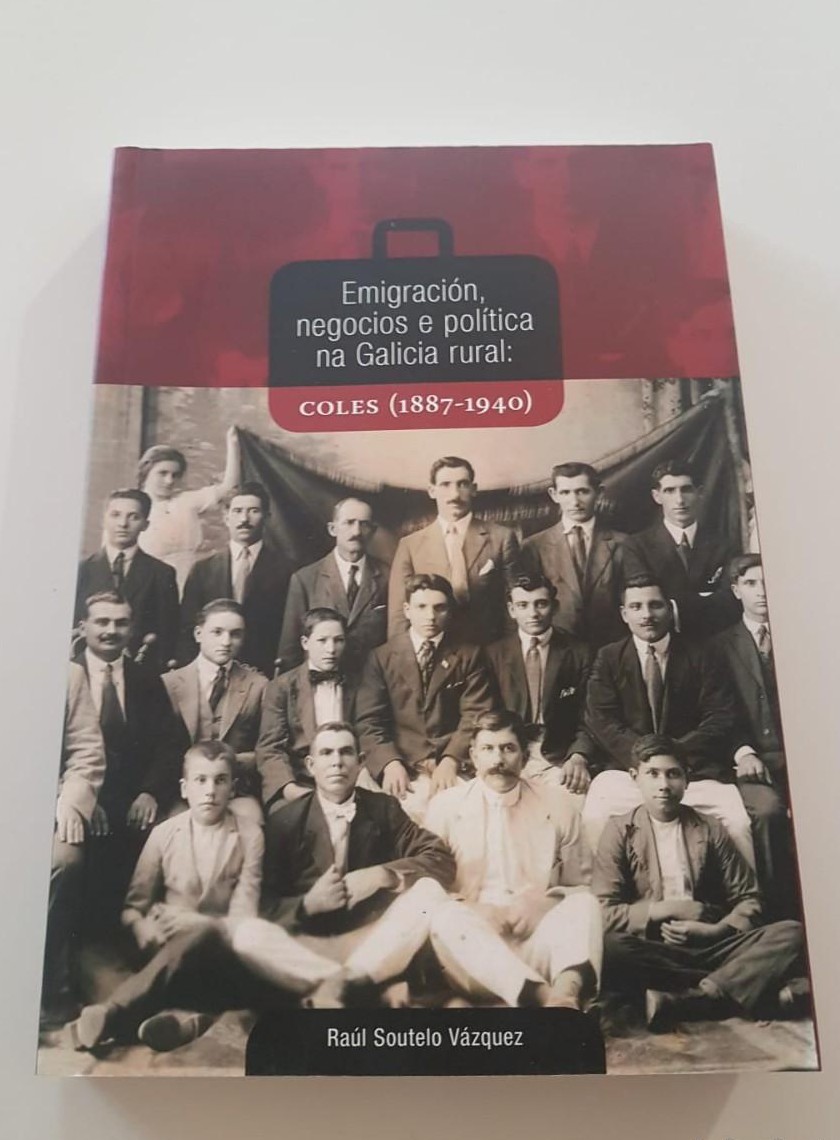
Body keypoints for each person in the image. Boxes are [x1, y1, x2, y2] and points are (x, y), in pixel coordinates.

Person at [231, 722, 457, 1008]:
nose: (337, 762)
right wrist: (306, 904)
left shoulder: (383, 808)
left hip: (375, 941)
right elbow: (261, 905)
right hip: (312, 946)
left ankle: (345, 986)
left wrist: (382, 875)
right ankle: (352, 986)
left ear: (360, 762)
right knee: (246, 935)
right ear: (311, 765)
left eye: (346, 752)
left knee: (428, 891)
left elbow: (439, 858)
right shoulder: (284, 822)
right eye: (326, 753)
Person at [593, 734, 807, 1030]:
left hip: (714, 945)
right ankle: (745, 987)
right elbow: (603, 912)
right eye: (652, 774)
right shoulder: (619, 830)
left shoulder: (709, 827)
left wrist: (716, 930)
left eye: (673, 774)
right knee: (609, 948)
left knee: (793, 932)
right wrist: (668, 909)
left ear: (687, 779)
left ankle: (697, 998)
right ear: (635, 777)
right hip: (656, 948)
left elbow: (749, 898)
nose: (664, 785)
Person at [68, 741, 266, 1052]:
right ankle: (175, 1020)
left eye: (220, 780)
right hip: (163, 947)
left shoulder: (250, 835)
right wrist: (141, 927)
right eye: (201, 780)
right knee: (89, 956)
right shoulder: (164, 833)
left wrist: (198, 923)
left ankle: (114, 1012)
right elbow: (134, 906)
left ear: (233, 787)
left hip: (217, 951)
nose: (210, 791)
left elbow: (243, 919)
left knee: (202, 939)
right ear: (185, 788)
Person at [423, 710, 602, 1010]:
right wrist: (471, 908)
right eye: (488, 749)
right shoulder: (445, 807)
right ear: (473, 756)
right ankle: (546, 999)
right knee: (446, 918)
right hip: (474, 949)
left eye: (508, 748)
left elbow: (583, 884)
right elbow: (427, 890)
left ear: (525, 756)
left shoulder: (558, 805)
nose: (498, 760)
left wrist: (544, 904)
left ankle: (565, 993)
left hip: (535, 940)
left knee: (585, 905)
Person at [582, 575, 753, 867]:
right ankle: (613, 891)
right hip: (629, 771)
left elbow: (719, 715)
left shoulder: (703, 654)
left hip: (693, 769)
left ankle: (745, 894)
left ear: (670, 609)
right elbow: (601, 719)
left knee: (737, 822)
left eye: (655, 605)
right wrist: (646, 760)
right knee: (594, 816)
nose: (647, 615)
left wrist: (675, 757)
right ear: (624, 614)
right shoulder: (609, 657)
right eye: (636, 607)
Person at [73, 592, 184, 927]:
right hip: (83, 795)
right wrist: (83, 798)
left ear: (132, 629)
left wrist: (150, 792)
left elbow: (170, 743)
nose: (111, 630)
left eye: (121, 623)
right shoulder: (66, 676)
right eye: (102, 622)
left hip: (134, 796)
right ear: (83, 627)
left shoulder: (146, 679)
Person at [356, 573, 498, 823]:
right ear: (407, 610)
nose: (430, 616)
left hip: (453, 761)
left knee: (467, 815)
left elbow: (476, 714)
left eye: (439, 608)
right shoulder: (381, 657)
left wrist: (451, 759)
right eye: (421, 607)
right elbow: (369, 721)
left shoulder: (469, 655)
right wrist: (390, 762)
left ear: (449, 611)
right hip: (404, 762)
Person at [715, 554, 796, 919]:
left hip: (805, 757)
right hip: (754, 759)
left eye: (768, 582)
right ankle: (779, 912)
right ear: (736, 590)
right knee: (767, 812)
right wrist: (743, 751)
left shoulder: (802, 635)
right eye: (751, 584)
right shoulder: (719, 647)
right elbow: (719, 712)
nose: (762, 592)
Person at [387, 456, 519, 645]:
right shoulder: (410, 545)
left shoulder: (501, 538)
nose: (455, 494)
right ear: (432, 491)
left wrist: (508, 653)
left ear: (474, 489)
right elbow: (399, 615)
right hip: (434, 649)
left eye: (462, 484)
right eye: (445, 485)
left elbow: (516, 603)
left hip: (488, 648)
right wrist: (403, 657)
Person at [486, 573, 595, 795]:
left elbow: (591, 714)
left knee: (570, 802)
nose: (533, 613)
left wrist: (578, 755)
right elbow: (487, 713)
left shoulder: (580, 653)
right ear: (511, 610)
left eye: (541, 604)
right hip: (510, 750)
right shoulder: (493, 654)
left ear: (554, 607)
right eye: (523, 605)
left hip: (560, 753)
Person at [41, 663, 106, 1028]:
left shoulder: (69, 675)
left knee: (65, 860)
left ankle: (50, 990)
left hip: (48, 805)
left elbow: (87, 751)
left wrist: (71, 800)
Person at [164, 599, 266, 823]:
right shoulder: (169, 684)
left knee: (251, 821)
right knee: (175, 826)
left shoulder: (258, 685)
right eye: (217, 632)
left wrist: (231, 763)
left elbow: (265, 748)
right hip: (183, 791)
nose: (226, 642)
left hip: (235, 790)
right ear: (198, 634)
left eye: (235, 634)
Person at [178, 482, 289, 677]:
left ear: (267, 517)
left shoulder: (288, 570)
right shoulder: (202, 570)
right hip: (210, 673)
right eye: (237, 511)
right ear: (226, 517)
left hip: (265, 672)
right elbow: (188, 628)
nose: (244, 519)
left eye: (254, 511)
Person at [257, 608, 362, 812]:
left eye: (338, 640)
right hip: (302, 782)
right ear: (305, 643)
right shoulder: (282, 687)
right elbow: (270, 748)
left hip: (349, 780)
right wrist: (290, 788)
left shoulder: (359, 683)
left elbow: (368, 732)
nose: (331, 649)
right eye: (322, 641)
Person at [622, 459, 739, 638]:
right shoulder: (637, 545)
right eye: (670, 491)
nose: (680, 500)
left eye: (686, 489)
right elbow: (645, 600)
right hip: (666, 640)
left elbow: (731, 600)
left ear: (700, 493)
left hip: (715, 639)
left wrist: (673, 603)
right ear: (657, 496)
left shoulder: (724, 545)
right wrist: (706, 599)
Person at [278, 497, 389, 673]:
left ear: (373, 531)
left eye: (364, 524)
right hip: (319, 680)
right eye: (349, 523)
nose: (357, 531)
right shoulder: (305, 579)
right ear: (332, 529)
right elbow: (289, 650)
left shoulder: (388, 576)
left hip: (371, 681)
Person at [520, 462, 626, 647]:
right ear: (554, 495)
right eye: (565, 492)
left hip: (610, 645)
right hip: (557, 647)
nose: (575, 502)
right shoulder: (533, 546)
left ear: (599, 492)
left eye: (582, 491)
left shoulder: (623, 543)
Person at [75, 489, 179, 671]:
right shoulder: (82, 570)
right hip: (87, 669)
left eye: (133, 517)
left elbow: (167, 633)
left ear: (145, 524)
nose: (123, 524)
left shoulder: (162, 574)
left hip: (141, 671)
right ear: (103, 520)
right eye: (115, 515)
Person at [136, 425, 240, 594]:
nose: (169, 481)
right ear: (146, 472)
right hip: (149, 585)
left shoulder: (186, 501)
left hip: (190, 583)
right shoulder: (134, 506)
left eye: (175, 475)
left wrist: (233, 444)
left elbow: (229, 487)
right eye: (162, 473)